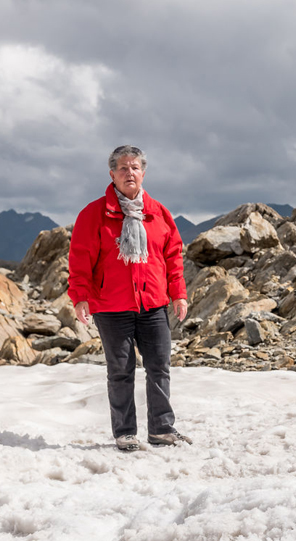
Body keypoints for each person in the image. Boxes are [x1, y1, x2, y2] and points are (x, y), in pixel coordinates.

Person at [68, 145, 191, 451]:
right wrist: (80, 297)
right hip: (111, 306)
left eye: (134, 167)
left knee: (159, 367)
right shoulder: (93, 213)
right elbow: (80, 260)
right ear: (112, 174)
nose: (129, 173)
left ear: (143, 172)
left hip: (153, 305)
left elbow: (173, 256)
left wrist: (178, 294)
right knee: (121, 372)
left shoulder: (158, 212)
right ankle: (125, 433)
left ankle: (162, 429)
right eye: (122, 168)